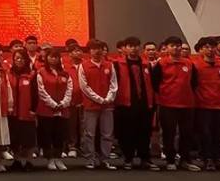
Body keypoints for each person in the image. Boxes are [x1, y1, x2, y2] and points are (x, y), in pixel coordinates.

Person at [151, 36, 200, 172]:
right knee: (169, 134)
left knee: (186, 134)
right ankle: (170, 160)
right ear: (167, 48)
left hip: (187, 104)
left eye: (178, 45)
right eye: (172, 45)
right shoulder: (161, 64)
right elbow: (155, 83)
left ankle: (185, 160)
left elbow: (194, 83)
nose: (176, 48)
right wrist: (166, 93)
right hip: (167, 104)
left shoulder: (189, 64)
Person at [114, 37, 159, 171]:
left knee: (145, 132)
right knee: (127, 132)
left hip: (145, 104)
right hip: (126, 104)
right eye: (130, 46)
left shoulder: (146, 64)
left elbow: (153, 84)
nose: (133, 49)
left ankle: (145, 159)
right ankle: (128, 159)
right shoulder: (117, 64)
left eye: (136, 46)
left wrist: (152, 102)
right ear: (125, 48)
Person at [192, 37, 220, 171]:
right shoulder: (195, 66)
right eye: (206, 47)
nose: (210, 50)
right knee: (205, 134)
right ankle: (207, 159)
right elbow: (192, 85)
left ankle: (217, 159)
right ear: (201, 49)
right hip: (204, 105)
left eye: (212, 47)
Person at [78, 39, 118, 170]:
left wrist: (108, 98)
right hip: (90, 105)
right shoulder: (83, 66)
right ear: (89, 51)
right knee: (89, 134)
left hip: (107, 105)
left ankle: (104, 159)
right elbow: (84, 87)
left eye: (99, 48)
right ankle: (90, 159)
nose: (97, 51)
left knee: (107, 134)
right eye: (94, 49)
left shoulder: (109, 65)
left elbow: (113, 84)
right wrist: (99, 99)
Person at [36, 48, 73, 171]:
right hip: (46, 110)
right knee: (47, 135)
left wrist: (64, 103)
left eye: (56, 57)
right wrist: (52, 103)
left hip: (62, 109)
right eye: (51, 56)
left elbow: (69, 89)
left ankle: (58, 158)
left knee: (60, 135)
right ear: (47, 58)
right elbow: (41, 91)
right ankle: (50, 159)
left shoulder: (65, 74)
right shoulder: (41, 72)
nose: (53, 59)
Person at [8, 50, 38, 171]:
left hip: (27, 112)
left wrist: (33, 109)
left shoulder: (32, 75)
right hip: (13, 113)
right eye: (17, 58)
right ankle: (17, 161)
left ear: (26, 60)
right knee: (14, 138)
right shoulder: (9, 74)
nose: (19, 60)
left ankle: (29, 161)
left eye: (22, 58)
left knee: (28, 139)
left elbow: (35, 93)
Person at [63, 41, 84, 158]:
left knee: (84, 126)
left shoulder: (86, 65)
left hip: (85, 101)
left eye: (79, 50)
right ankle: (72, 147)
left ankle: (85, 147)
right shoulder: (65, 67)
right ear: (70, 54)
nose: (78, 53)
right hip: (71, 101)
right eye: (75, 51)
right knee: (71, 126)